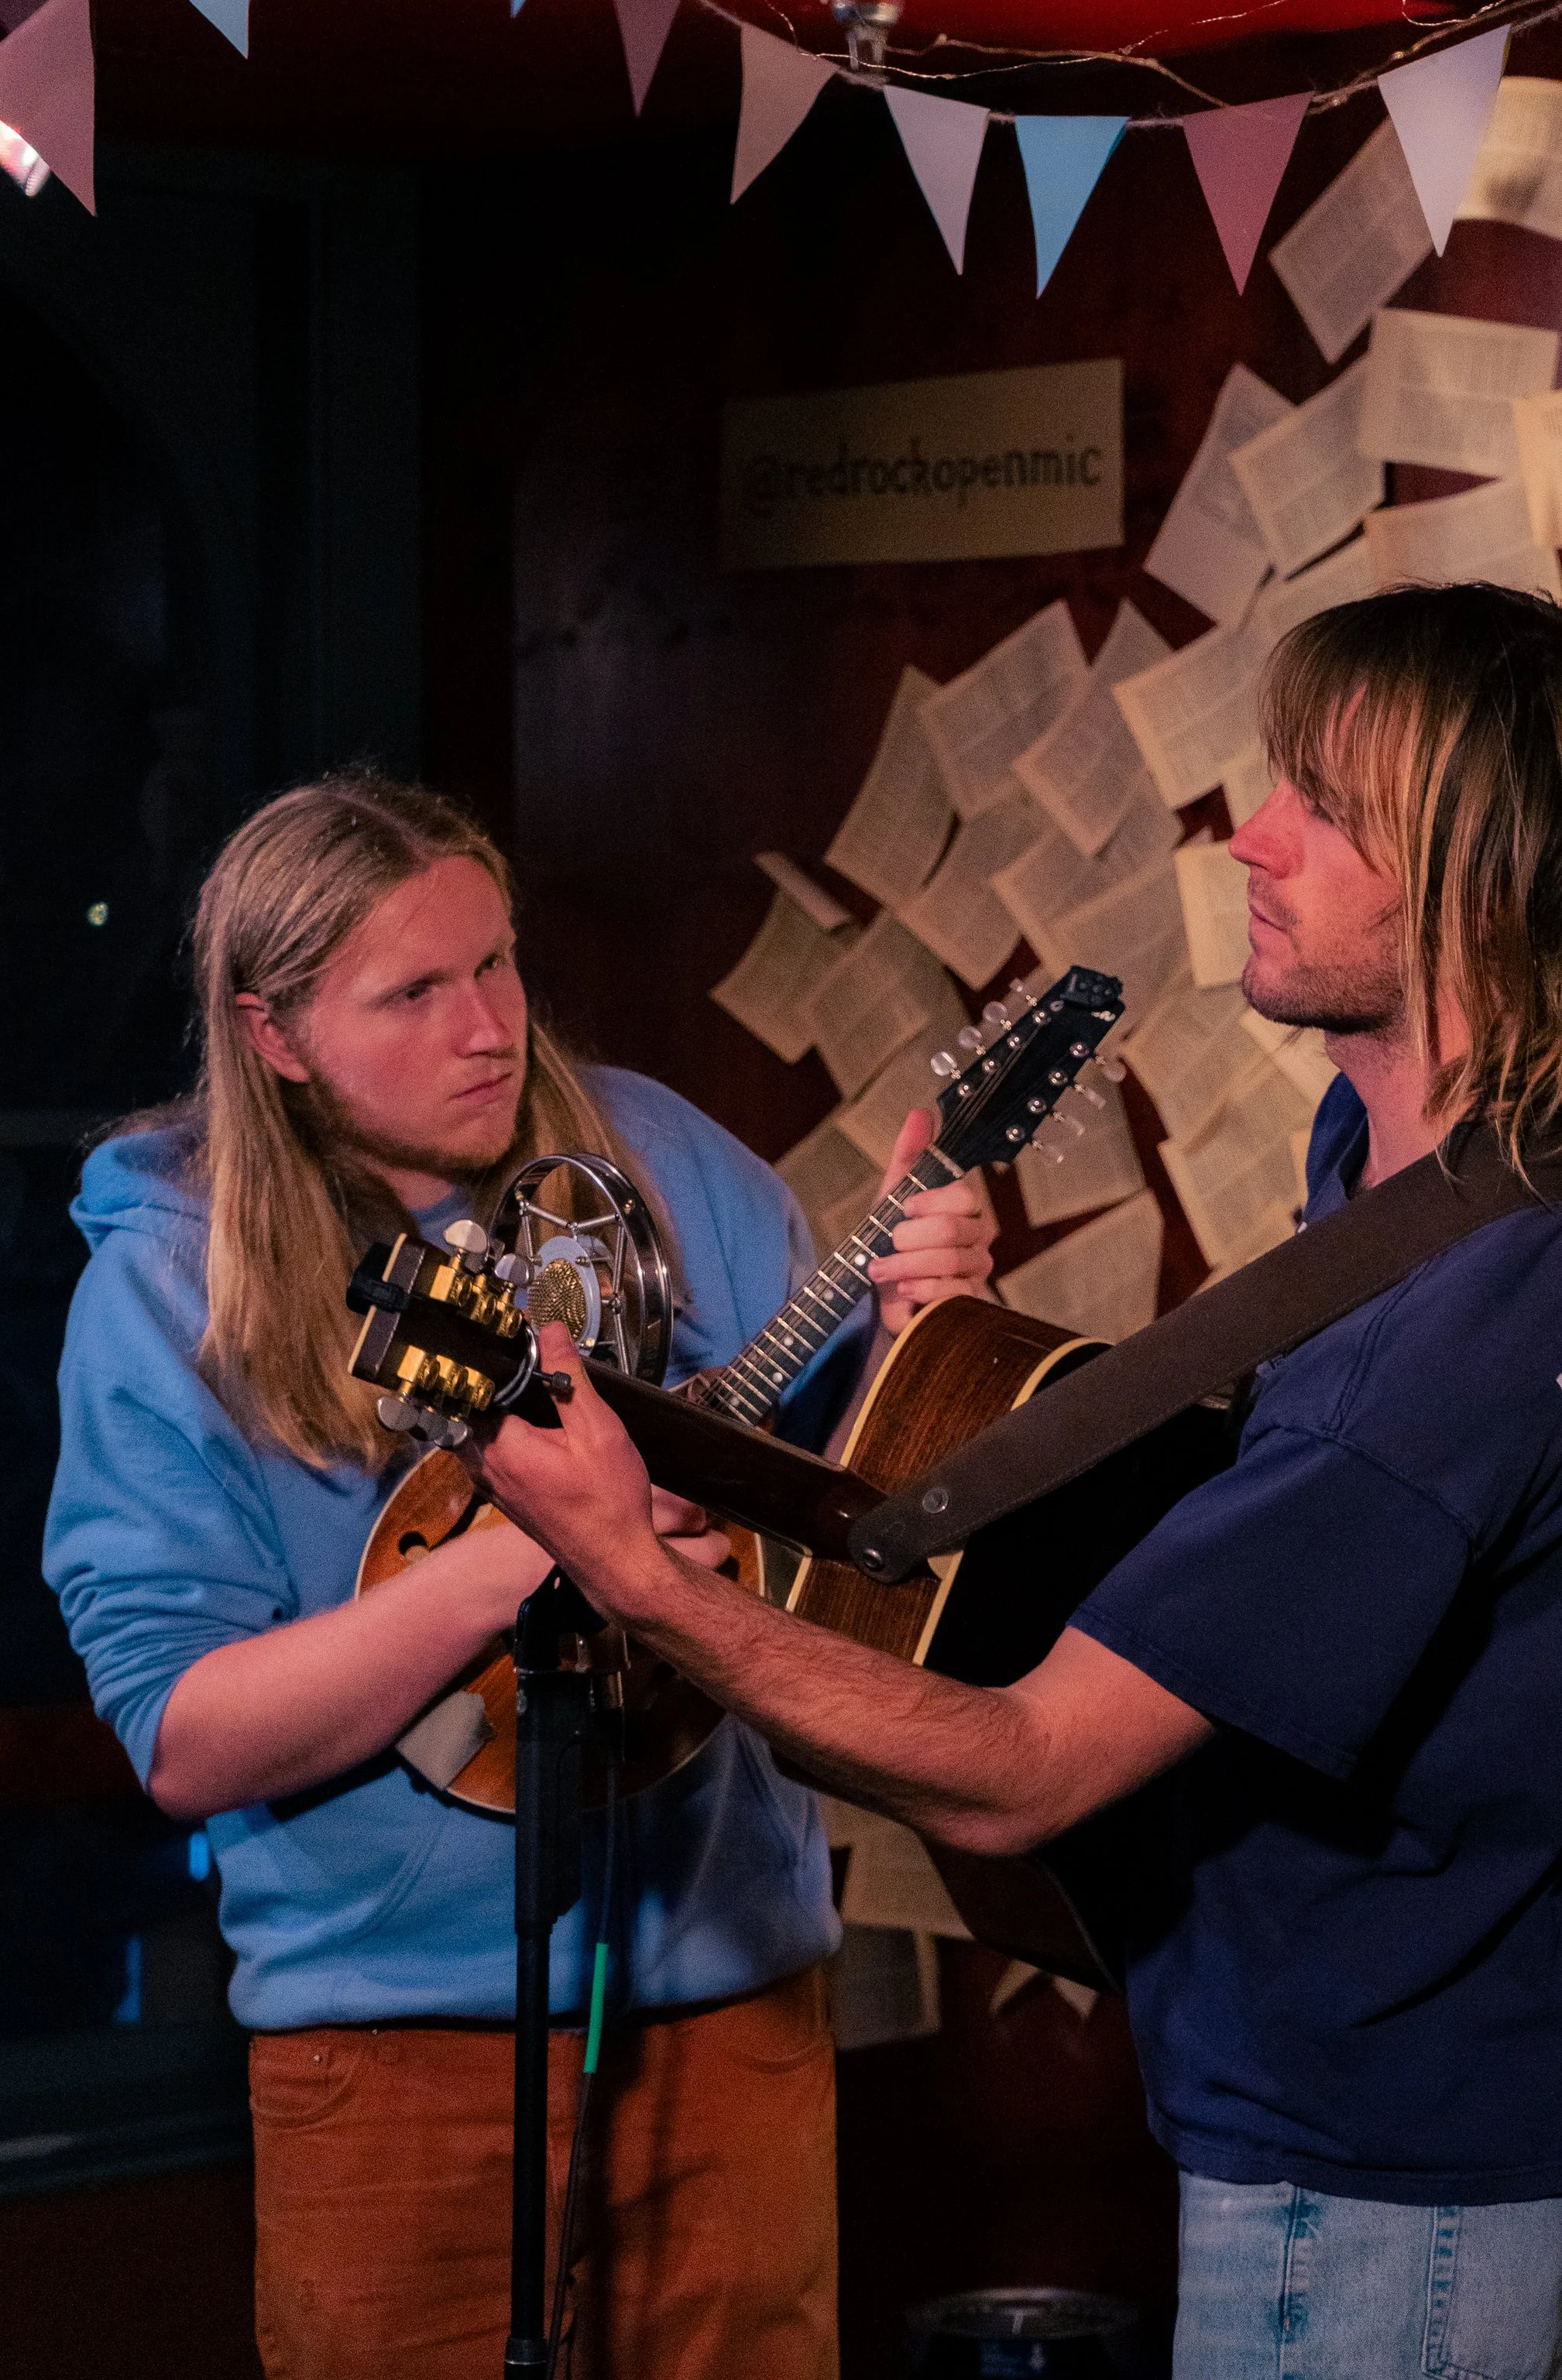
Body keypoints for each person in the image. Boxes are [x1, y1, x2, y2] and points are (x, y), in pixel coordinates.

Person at [472, 583, 1562, 2380]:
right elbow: (1293, 1551)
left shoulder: (1436, 1343)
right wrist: (954, 1342)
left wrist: (645, 1579)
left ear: (1478, 889)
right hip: (1431, 2115)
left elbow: (1017, 1775)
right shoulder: (1459, 1168)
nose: (1251, 839)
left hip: (1376, 2183)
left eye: (1326, 810)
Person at [43, 774, 994, 2380]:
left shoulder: (660, 1161)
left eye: (494, 965)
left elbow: (856, 1519)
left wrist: (925, 1327)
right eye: (411, 991)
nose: (486, 1025)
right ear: (272, 1033)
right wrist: (518, 1561)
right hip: (388, 2047)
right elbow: (186, 1736)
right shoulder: (166, 1285)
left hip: (731, 2007)